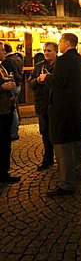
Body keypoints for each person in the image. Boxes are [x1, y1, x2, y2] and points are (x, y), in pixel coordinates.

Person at [38, 33, 81, 196]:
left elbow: (58, 83)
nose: (59, 44)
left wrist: (47, 77)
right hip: (76, 106)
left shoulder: (64, 60)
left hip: (63, 108)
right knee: (76, 139)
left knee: (63, 143)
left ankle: (67, 183)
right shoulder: (80, 60)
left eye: (60, 42)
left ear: (67, 43)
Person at [28, 42, 58, 171]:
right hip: (42, 104)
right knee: (45, 132)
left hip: (56, 105)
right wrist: (37, 80)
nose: (46, 53)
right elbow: (30, 84)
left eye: (49, 51)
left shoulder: (60, 66)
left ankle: (61, 160)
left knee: (56, 133)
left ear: (56, 52)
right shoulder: (38, 67)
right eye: (45, 51)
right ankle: (48, 158)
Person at [0, 42, 19, 184]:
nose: (3, 52)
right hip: (1, 111)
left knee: (5, 143)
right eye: (1, 50)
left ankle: (4, 173)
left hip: (6, 109)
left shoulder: (1, 66)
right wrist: (2, 87)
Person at [2, 43, 23, 141]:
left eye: (3, 50)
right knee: (13, 108)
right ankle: (14, 130)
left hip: (11, 87)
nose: (3, 52)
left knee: (11, 109)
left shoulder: (7, 61)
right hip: (18, 84)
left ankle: (13, 132)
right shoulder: (18, 58)